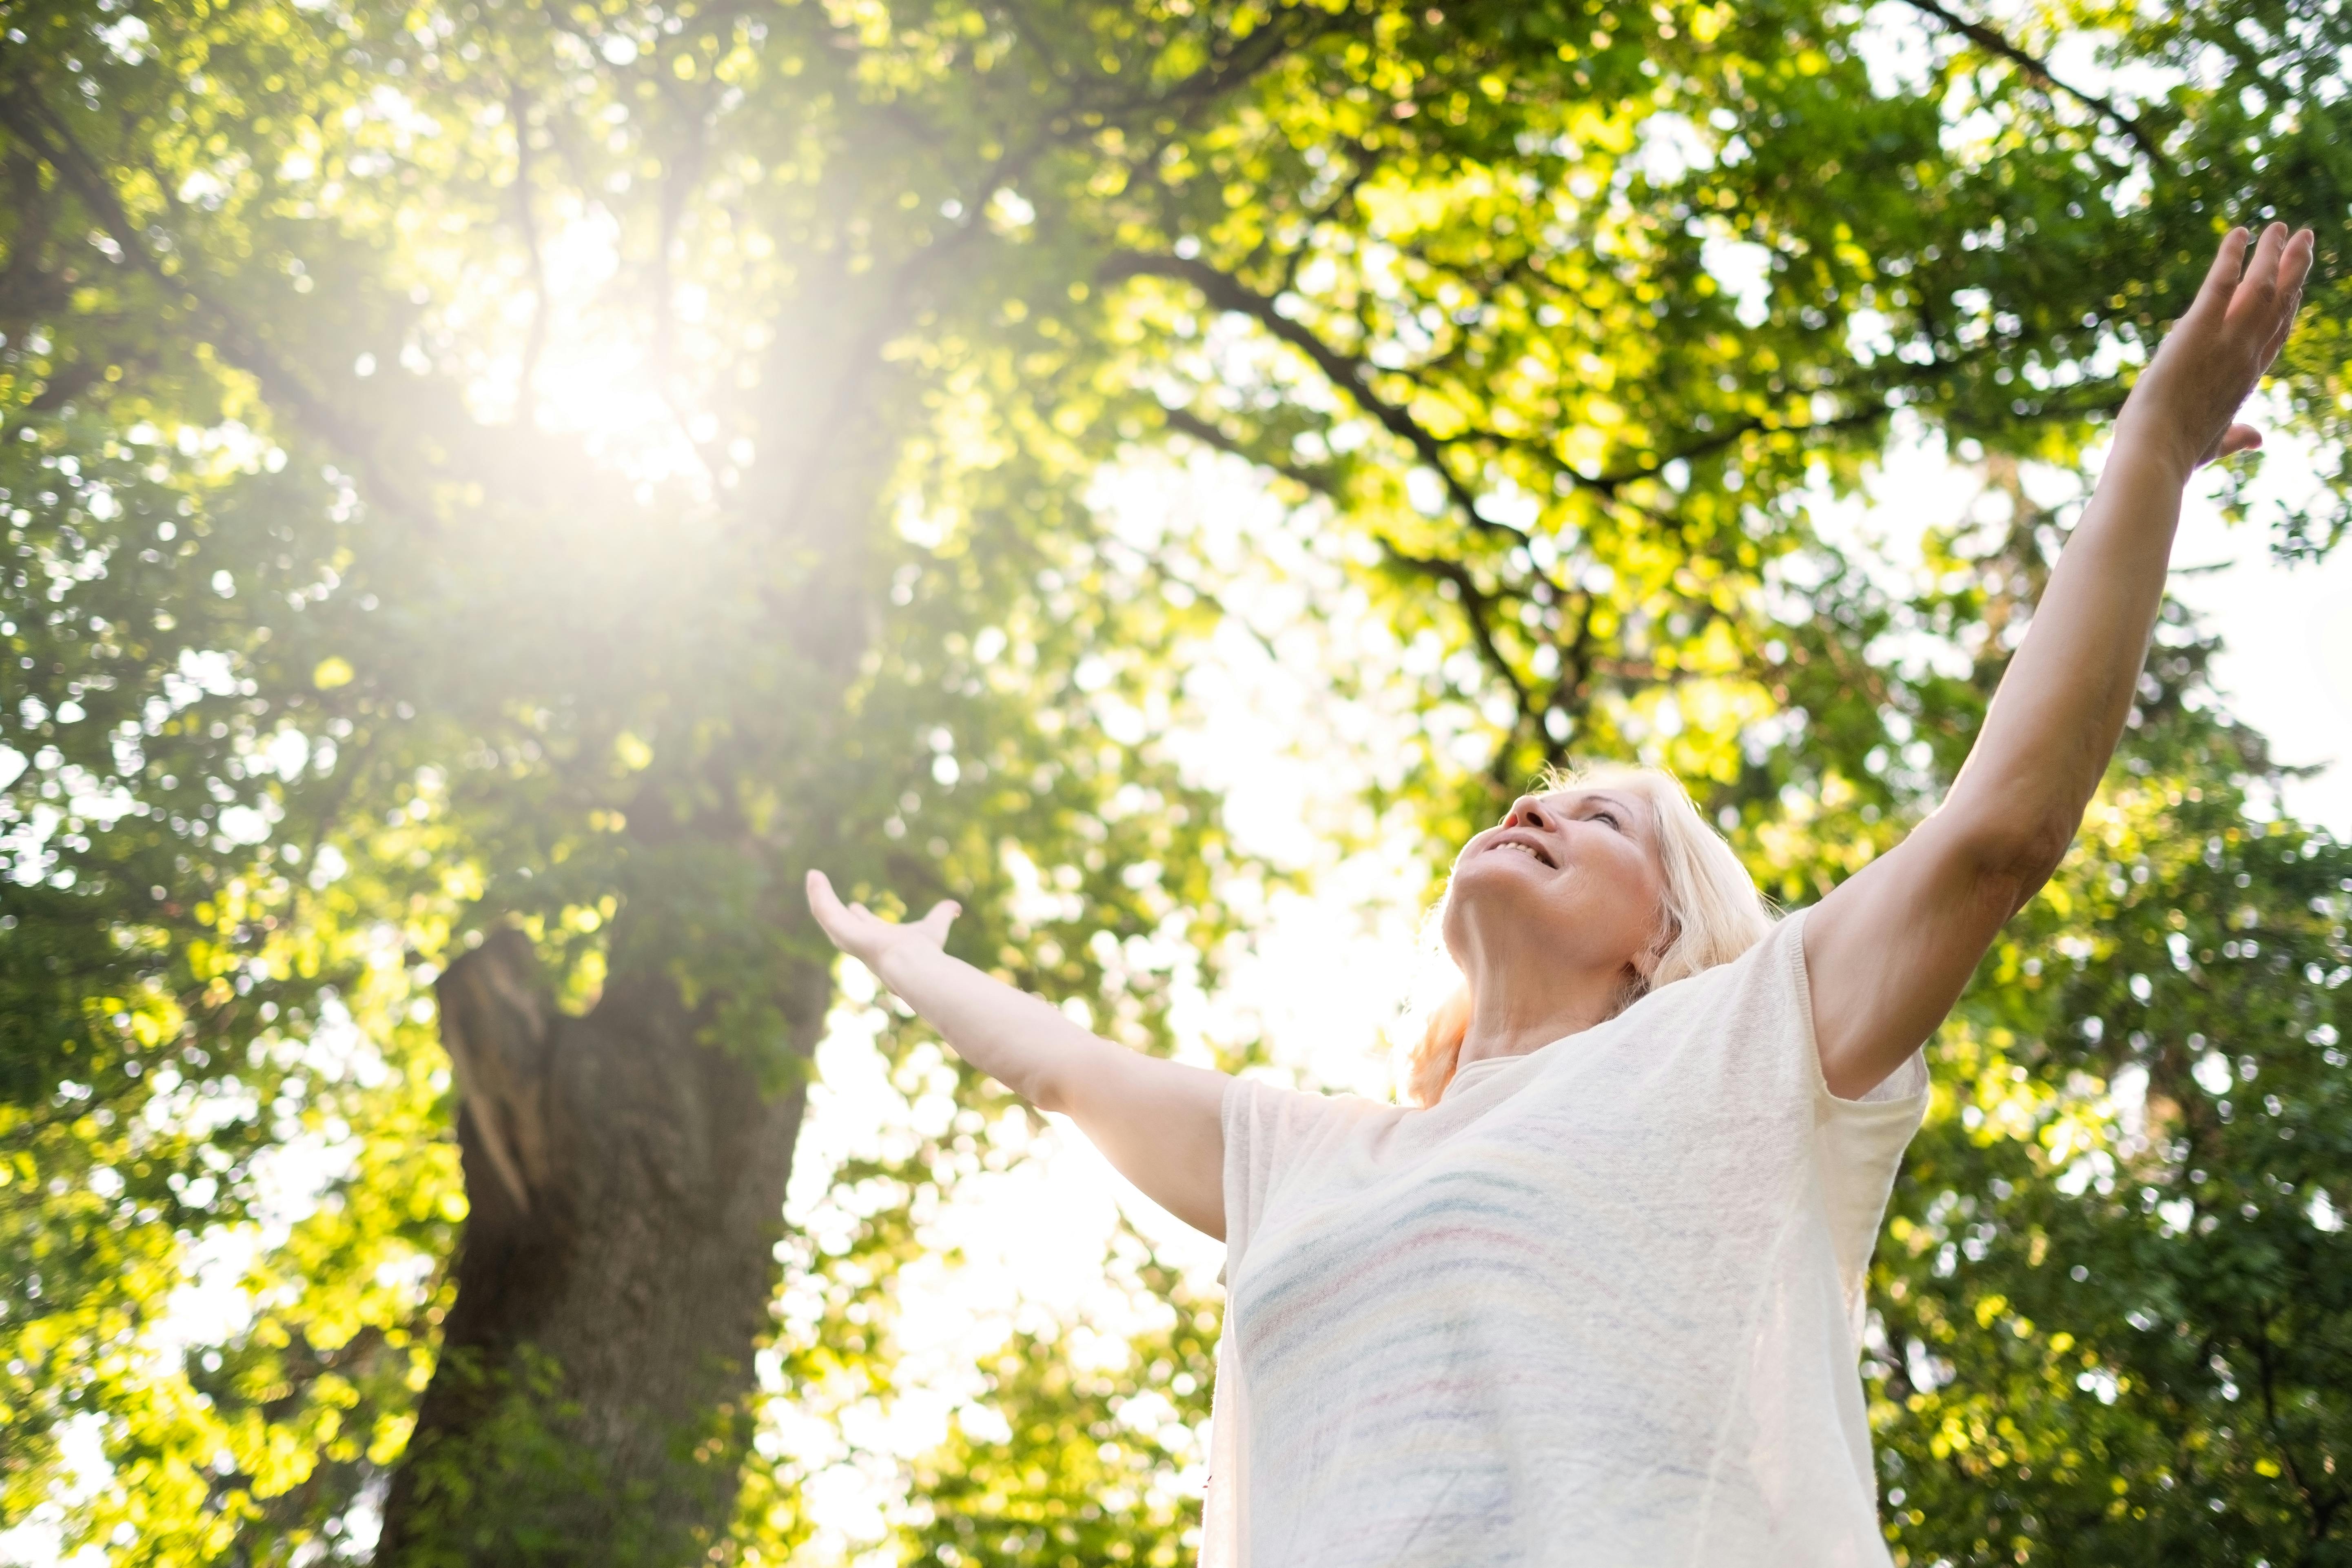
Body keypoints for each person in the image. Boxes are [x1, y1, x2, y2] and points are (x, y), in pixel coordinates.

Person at [805, 223, 2315, 1566]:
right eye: (1538, 795)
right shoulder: (1314, 1156)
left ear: (1664, 934)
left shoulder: (1742, 1043)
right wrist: (904, 958)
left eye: (1598, 821)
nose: (1534, 806)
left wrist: (2154, 458)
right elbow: (1064, 1068)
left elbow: (2000, 827)